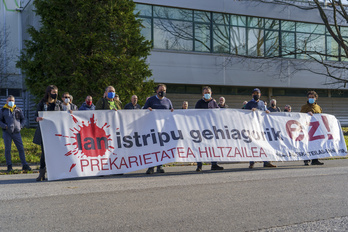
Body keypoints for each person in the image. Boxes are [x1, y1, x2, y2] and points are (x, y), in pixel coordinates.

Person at [143, 84, 174, 174]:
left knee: (161, 147)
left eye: (164, 90)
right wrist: (147, 109)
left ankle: (159, 166)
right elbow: (143, 111)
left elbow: (171, 112)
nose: (163, 92)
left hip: (163, 129)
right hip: (152, 128)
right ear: (157, 91)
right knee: (152, 148)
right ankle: (151, 167)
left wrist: (172, 111)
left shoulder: (168, 101)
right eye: (161, 90)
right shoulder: (151, 100)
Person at [34, 85, 63, 181]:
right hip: (44, 132)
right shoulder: (42, 103)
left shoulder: (59, 104)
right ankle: (42, 173)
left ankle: (55, 173)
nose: (55, 94)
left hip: (55, 131)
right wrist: (37, 118)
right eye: (53, 92)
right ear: (48, 93)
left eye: (56, 92)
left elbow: (63, 116)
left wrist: (70, 113)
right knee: (44, 152)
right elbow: (36, 115)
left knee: (55, 152)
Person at [244, 88, 276, 169]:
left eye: (257, 93)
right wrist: (250, 111)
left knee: (265, 144)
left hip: (262, 127)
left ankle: (266, 162)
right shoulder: (249, 104)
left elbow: (265, 111)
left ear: (260, 94)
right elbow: (244, 114)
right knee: (253, 145)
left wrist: (267, 112)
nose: (256, 95)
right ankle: (252, 162)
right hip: (252, 127)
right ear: (252, 95)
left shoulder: (262, 103)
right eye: (254, 93)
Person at [195, 86, 224, 172]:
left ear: (211, 93)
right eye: (205, 93)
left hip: (212, 129)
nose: (207, 94)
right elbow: (195, 114)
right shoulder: (199, 103)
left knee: (213, 146)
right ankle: (199, 165)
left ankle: (214, 164)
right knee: (200, 147)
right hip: (201, 128)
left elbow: (219, 114)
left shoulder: (214, 103)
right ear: (202, 94)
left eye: (208, 93)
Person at [0, 95, 31, 172]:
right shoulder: (3, 110)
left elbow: (23, 119)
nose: (11, 102)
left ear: (14, 101)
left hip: (17, 132)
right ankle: (9, 166)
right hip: (7, 132)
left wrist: (20, 126)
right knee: (8, 149)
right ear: (6, 101)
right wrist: (5, 126)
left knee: (21, 148)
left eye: (12, 100)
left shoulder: (18, 110)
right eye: (9, 100)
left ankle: (24, 165)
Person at [300, 90, 324, 166]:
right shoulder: (304, 107)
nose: (311, 99)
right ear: (307, 98)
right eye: (309, 97)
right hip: (307, 129)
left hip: (316, 129)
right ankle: (306, 160)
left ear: (316, 98)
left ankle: (315, 159)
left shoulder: (318, 107)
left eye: (312, 97)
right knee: (307, 144)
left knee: (316, 144)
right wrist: (307, 114)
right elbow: (300, 117)